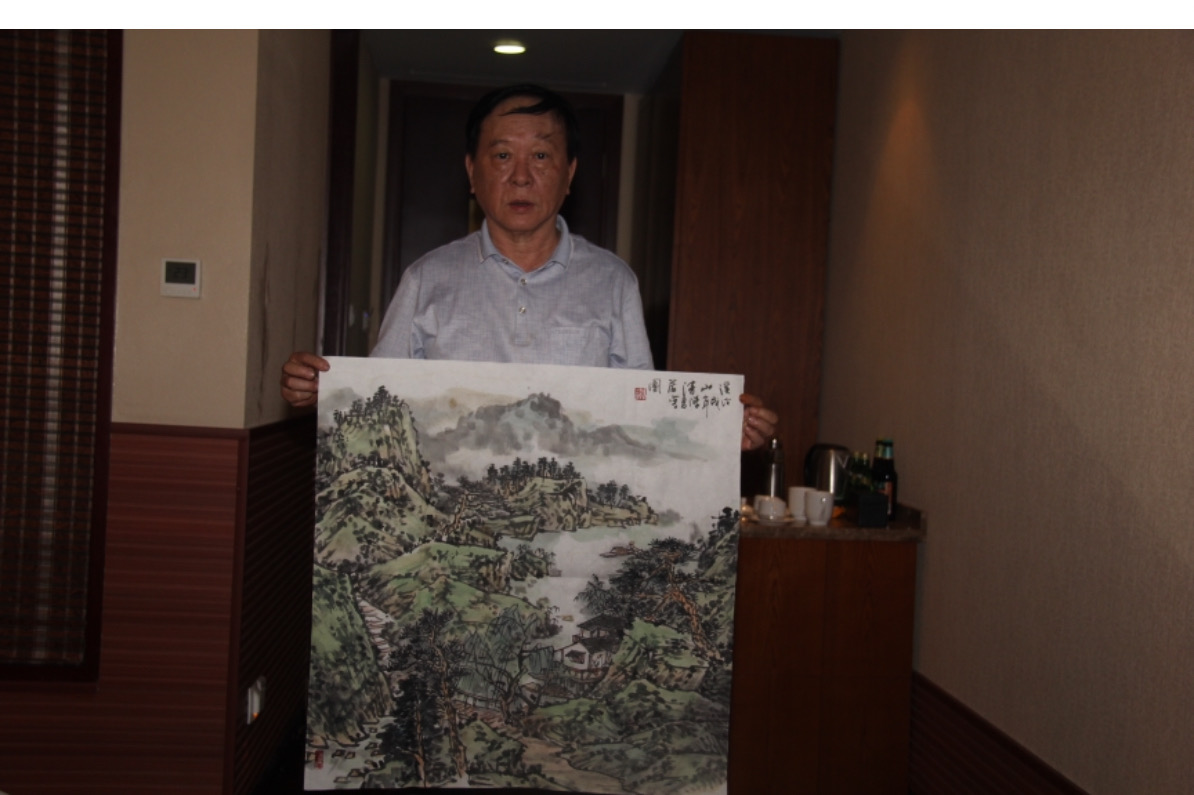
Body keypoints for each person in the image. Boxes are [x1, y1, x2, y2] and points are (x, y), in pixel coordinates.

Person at [281, 84, 777, 451]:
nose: (521, 176)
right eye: (502, 155)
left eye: (541, 155)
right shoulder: (426, 278)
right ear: (472, 172)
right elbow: (379, 399)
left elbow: (639, 408)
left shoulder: (613, 281)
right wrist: (321, 390)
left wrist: (719, 427)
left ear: (569, 173)